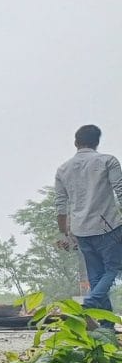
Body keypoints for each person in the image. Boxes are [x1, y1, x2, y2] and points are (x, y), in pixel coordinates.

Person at [54, 124, 122, 312]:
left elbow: (60, 205)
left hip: (81, 231)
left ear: (76, 142)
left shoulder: (63, 169)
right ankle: (91, 300)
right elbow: (120, 191)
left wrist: (64, 234)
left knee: (95, 276)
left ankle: (105, 323)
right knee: (113, 269)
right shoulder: (108, 161)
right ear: (97, 142)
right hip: (108, 227)